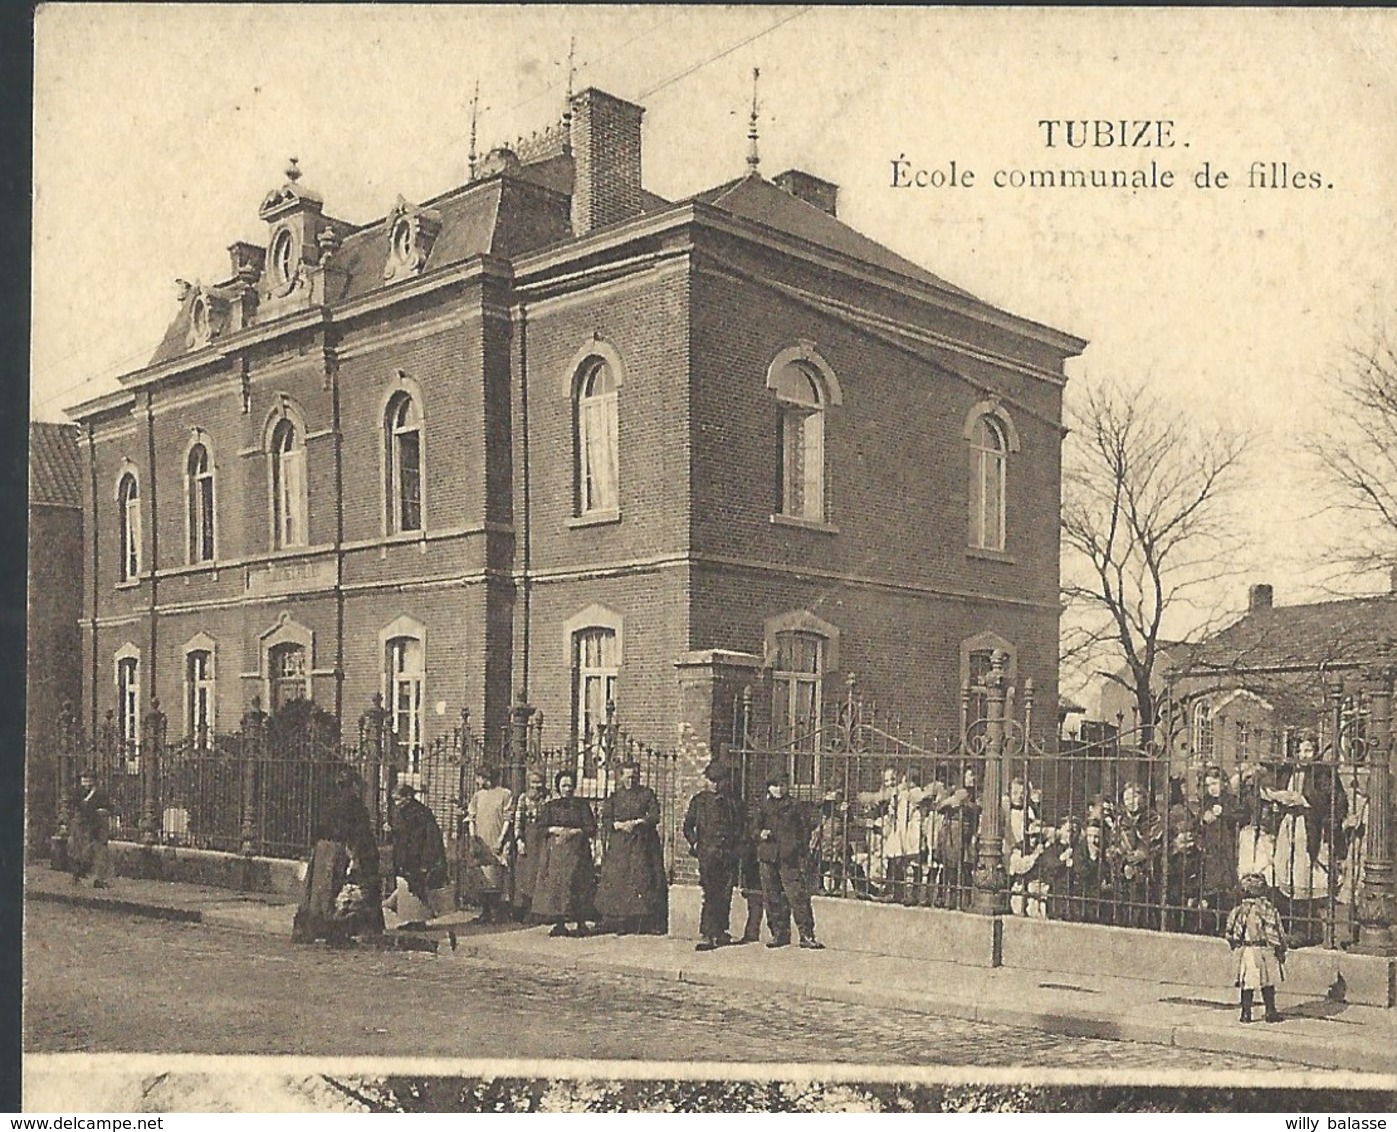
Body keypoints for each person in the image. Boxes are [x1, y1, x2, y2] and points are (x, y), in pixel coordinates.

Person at [1271, 733, 1348, 945]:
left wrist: (1304, 800)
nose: (1303, 755)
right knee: (1287, 873)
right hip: (1289, 825)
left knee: (1304, 877)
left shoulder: (1322, 772)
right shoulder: (1289, 770)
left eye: (1308, 751)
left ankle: (1309, 929)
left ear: (1315, 752)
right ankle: (1291, 925)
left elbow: (1334, 801)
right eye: (1300, 751)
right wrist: (1279, 799)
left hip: (1309, 828)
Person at [294, 768, 384, 944]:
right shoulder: (355, 805)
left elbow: (317, 826)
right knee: (333, 888)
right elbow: (359, 832)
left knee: (317, 892)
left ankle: (311, 928)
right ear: (353, 786)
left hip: (321, 849)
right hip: (339, 849)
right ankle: (334, 928)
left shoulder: (329, 801)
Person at [596, 760, 668, 935]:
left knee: (643, 879)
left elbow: (654, 815)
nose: (631, 781)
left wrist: (637, 822)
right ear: (621, 778)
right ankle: (622, 922)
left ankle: (645, 922)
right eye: (627, 777)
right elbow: (605, 820)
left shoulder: (647, 794)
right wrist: (619, 825)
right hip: (620, 845)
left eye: (634, 777)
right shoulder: (614, 797)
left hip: (642, 844)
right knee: (620, 880)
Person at [754, 769, 823, 949]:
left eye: (782, 785)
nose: (779, 789)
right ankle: (778, 933)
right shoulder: (763, 806)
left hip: (788, 857)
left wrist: (799, 849)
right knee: (772, 896)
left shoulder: (795, 806)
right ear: (769, 788)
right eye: (775, 786)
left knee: (797, 896)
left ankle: (806, 935)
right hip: (768, 856)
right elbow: (752, 827)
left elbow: (804, 829)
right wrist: (760, 833)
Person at [683, 761, 743, 951]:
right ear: (706, 781)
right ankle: (708, 933)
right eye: (712, 781)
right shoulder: (699, 801)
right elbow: (687, 826)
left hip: (727, 853)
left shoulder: (733, 802)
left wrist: (736, 848)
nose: (716, 785)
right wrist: (695, 842)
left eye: (719, 781)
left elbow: (741, 827)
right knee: (710, 893)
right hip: (707, 853)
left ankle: (721, 931)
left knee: (725, 893)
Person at [531, 770, 598, 937]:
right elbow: (539, 828)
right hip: (557, 854)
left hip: (578, 853)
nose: (567, 789)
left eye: (570, 785)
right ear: (558, 787)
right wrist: (554, 829)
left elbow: (591, 828)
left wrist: (575, 832)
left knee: (579, 886)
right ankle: (559, 923)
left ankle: (581, 923)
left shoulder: (582, 806)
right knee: (558, 887)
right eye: (564, 785)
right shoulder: (550, 807)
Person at [384, 782, 450, 930]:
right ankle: (411, 918)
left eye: (398, 799)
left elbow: (427, 836)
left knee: (417, 886)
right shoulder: (401, 811)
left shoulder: (420, 812)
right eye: (394, 799)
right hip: (405, 855)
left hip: (417, 855)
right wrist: (391, 830)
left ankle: (418, 920)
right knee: (407, 886)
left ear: (408, 797)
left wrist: (426, 858)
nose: (396, 803)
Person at [1225, 872, 1288, 1023]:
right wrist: (1280, 947)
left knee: (1248, 983)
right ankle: (1270, 1011)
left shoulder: (1239, 911)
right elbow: (1276, 930)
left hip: (1247, 950)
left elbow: (1230, 931)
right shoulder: (1267, 909)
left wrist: (1235, 943)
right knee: (1267, 982)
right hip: (1263, 949)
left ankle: (1246, 1013)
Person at [462, 767, 515, 924]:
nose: (477, 781)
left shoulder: (505, 794)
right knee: (482, 877)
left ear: (486, 778)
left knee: (496, 876)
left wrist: (501, 839)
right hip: (481, 841)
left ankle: (496, 911)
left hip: (496, 838)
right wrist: (473, 839)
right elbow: (471, 818)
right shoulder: (478, 796)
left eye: (479, 778)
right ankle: (484, 911)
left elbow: (507, 819)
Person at [1110, 781, 1164, 929]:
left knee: (1145, 911)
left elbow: (1158, 844)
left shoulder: (1154, 819)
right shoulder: (1120, 821)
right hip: (1124, 874)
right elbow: (1112, 845)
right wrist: (1124, 860)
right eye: (1126, 798)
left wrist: (1144, 854)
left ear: (1143, 798)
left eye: (1134, 797)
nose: (1130, 802)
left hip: (1147, 874)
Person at [1196, 764, 1242, 933]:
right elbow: (1197, 825)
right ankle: (1211, 927)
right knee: (1210, 892)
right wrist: (1202, 819)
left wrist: (1224, 812)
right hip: (1210, 852)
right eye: (1208, 785)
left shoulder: (1231, 800)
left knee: (1226, 890)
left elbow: (1241, 816)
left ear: (1223, 783)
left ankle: (1226, 926)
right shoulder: (1206, 802)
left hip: (1226, 851)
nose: (1211, 789)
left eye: (1214, 784)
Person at [506, 770, 549, 922]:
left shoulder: (547, 799)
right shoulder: (523, 799)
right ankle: (521, 909)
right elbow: (518, 822)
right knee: (524, 876)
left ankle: (536, 911)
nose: (536, 786)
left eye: (539, 782)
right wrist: (519, 840)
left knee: (540, 875)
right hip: (527, 841)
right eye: (534, 782)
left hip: (542, 842)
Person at [935, 766, 979, 909]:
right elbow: (939, 807)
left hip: (967, 832)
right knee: (950, 866)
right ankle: (947, 897)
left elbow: (977, 809)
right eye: (970, 775)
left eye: (974, 776)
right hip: (953, 832)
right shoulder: (953, 791)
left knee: (965, 867)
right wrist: (951, 801)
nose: (973, 778)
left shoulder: (976, 794)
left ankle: (965, 899)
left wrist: (965, 803)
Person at [68, 768, 113, 888]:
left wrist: (104, 811)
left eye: (88, 781)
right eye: (84, 781)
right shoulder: (78, 792)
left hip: (97, 826)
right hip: (82, 826)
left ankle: (99, 879)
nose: (86, 784)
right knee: (80, 852)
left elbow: (109, 807)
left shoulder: (101, 793)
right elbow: (81, 806)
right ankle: (77, 877)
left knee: (99, 853)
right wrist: (89, 797)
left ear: (94, 781)